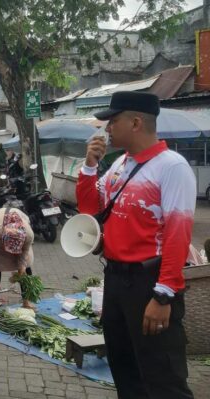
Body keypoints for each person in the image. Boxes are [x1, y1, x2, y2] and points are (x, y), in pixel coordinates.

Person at [77, 91, 195, 398]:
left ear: (136, 122)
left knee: (162, 376)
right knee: (124, 368)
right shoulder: (119, 166)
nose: (107, 129)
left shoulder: (172, 167)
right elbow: (89, 212)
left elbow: (177, 235)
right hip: (116, 280)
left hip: (150, 282)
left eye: (113, 121)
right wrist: (90, 166)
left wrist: (164, 295)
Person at [0, 207, 35, 308]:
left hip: (19, 219)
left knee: (26, 267)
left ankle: (26, 302)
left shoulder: (28, 235)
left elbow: (23, 256)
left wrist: (21, 270)